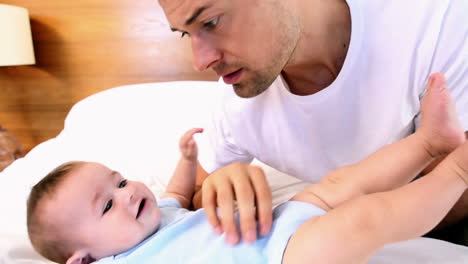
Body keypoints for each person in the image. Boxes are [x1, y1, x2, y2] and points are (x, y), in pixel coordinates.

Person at [26, 76, 468, 264]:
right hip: (279, 258)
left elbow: (179, 196)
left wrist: (187, 161)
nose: (126, 193)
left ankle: (429, 141)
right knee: (361, 219)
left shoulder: (158, 215)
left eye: (119, 181)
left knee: (340, 182)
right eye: (106, 205)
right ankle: (458, 173)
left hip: (278, 222)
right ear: (82, 260)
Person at [158, 0, 468, 244]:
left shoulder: (437, 24)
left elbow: (456, 190)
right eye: (187, 33)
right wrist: (220, 190)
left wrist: (321, 226)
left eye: (211, 22)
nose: (200, 61)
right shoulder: (237, 105)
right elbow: (195, 194)